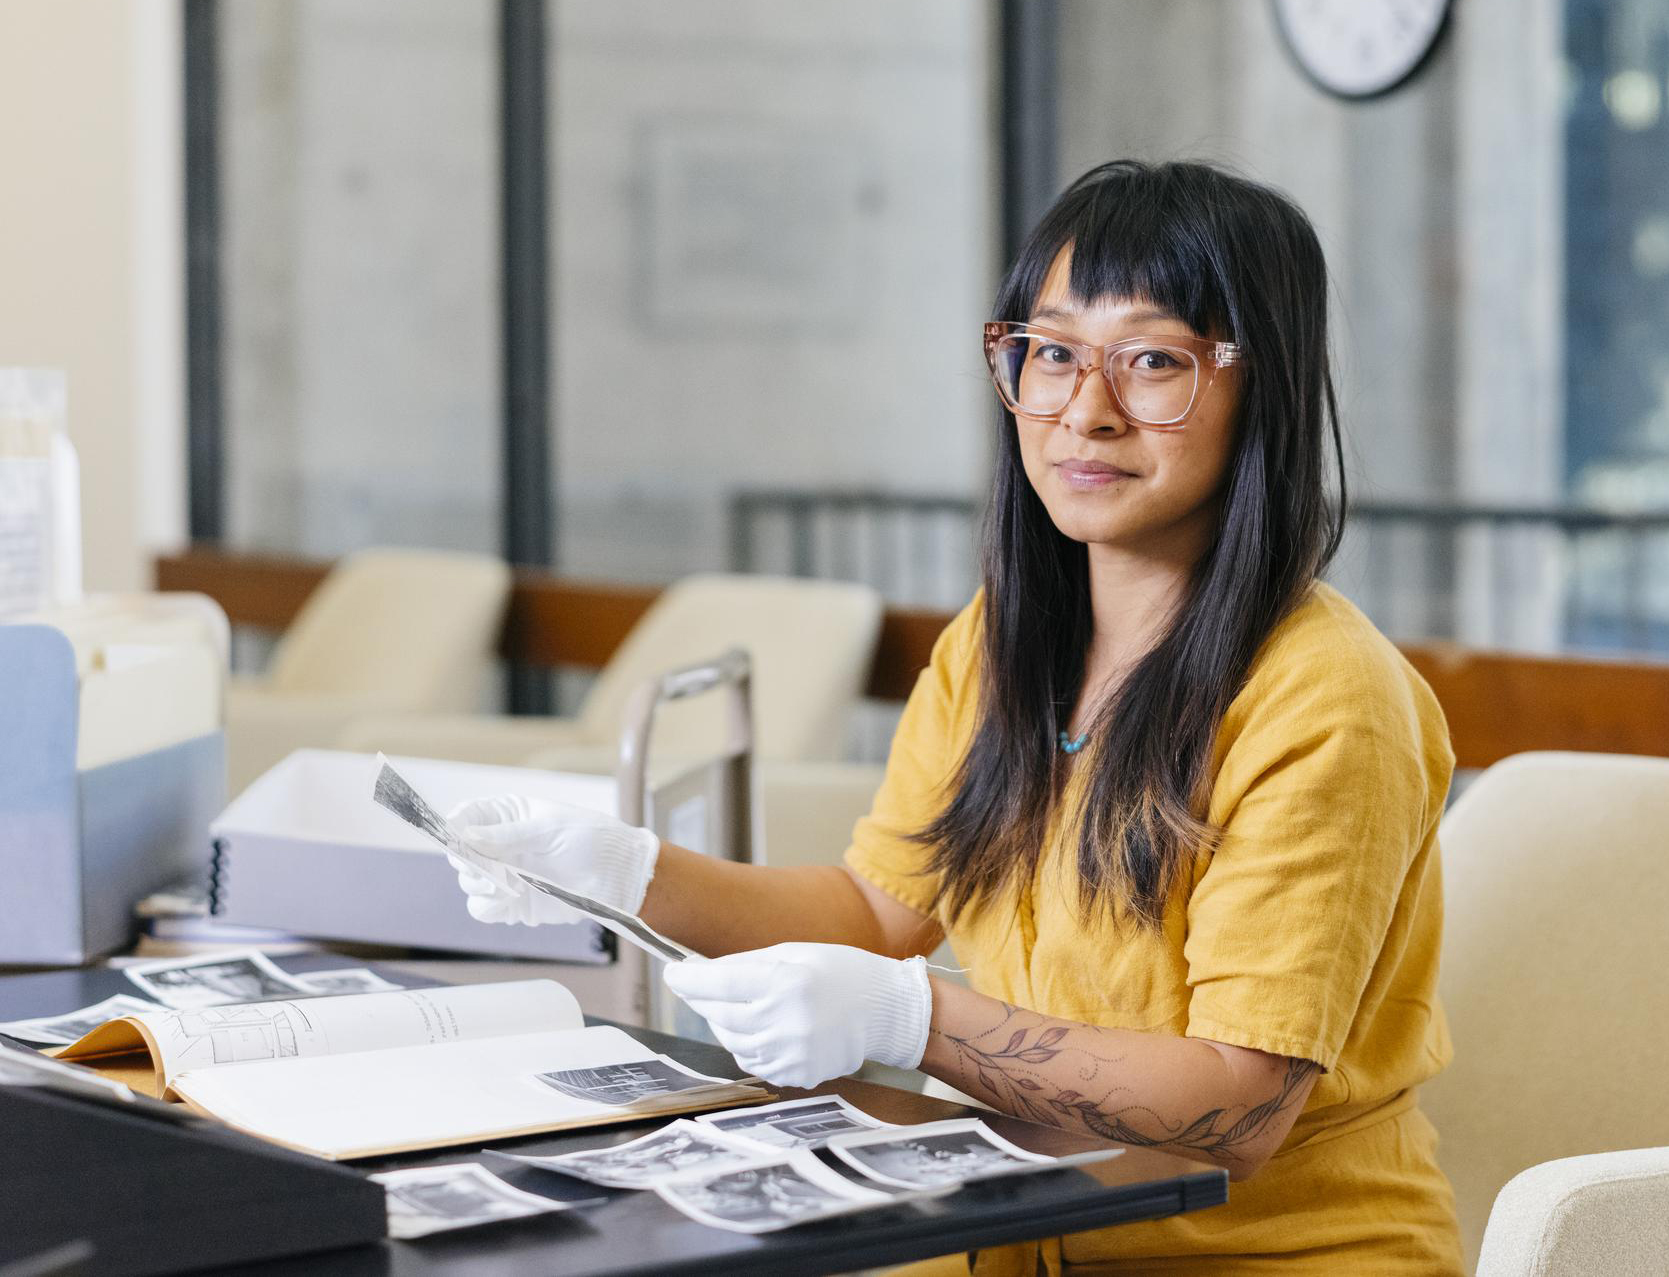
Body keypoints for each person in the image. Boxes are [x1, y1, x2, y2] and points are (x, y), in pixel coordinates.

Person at [448, 159, 1462, 1273]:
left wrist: (912, 1021)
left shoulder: (1327, 696)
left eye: (1154, 362)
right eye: (1052, 352)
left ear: (1257, 383)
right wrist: (623, 867)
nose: (1085, 410)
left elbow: (1239, 1106)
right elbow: (877, 914)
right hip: (1005, 1226)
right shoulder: (1001, 642)